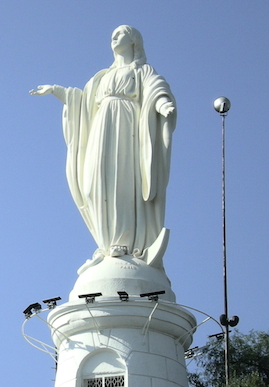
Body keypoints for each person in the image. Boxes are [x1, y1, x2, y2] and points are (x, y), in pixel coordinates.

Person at [31, 26, 176, 271]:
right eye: (112, 35)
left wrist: (162, 106)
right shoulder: (102, 76)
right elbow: (84, 101)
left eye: (120, 33)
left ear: (133, 40)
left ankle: (124, 243)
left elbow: (155, 89)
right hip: (102, 126)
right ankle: (106, 242)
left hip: (127, 127)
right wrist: (57, 91)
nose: (114, 37)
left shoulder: (141, 70)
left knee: (122, 182)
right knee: (93, 184)